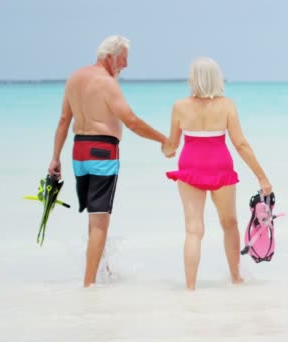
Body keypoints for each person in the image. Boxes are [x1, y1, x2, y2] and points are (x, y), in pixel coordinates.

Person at [47, 35, 168, 287]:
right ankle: (89, 285)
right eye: (123, 59)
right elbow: (132, 121)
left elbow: (62, 121)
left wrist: (55, 158)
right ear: (109, 56)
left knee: (95, 218)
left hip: (78, 152)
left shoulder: (74, 78)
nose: (125, 65)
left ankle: (102, 271)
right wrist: (162, 139)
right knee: (100, 220)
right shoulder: (107, 83)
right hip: (102, 152)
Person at [163, 57, 272, 290]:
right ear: (217, 78)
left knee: (193, 230)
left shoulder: (179, 106)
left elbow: (171, 145)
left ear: (193, 78)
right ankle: (236, 278)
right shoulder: (227, 105)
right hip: (220, 166)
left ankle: (190, 289)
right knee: (229, 223)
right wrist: (262, 177)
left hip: (190, 166)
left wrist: (167, 150)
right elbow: (241, 144)